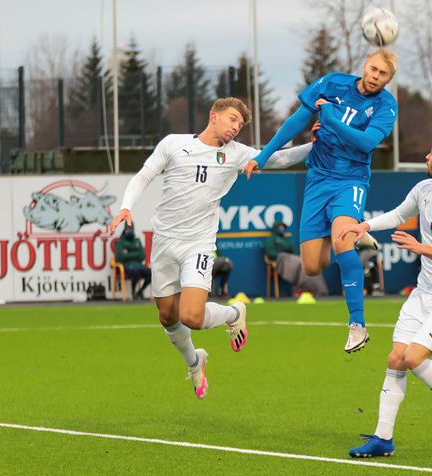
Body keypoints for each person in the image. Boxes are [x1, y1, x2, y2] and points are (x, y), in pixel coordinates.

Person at [110, 97, 311, 400]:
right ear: (213, 115)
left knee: (191, 315)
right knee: (167, 316)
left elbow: (280, 159)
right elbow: (144, 176)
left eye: (240, 125)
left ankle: (233, 313)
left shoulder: (237, 154)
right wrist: (126, 207)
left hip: (199, 244)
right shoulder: (174, 144)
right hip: (164, 241)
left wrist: (318, 143)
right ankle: (194, 362)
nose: (235, 128)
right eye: (232, 119)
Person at [243, 49, 398, 353]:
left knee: (341, 240)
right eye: (373, 68)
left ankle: (357, 325)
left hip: (350, 180)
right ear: (364, 65)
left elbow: (367, 143)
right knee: (313, 266)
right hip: (318, 179)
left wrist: (329, 118)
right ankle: (354, 231)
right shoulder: (333, 83)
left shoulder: (386, 106)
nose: (375, 76)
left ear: (388, 79)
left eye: (382, 74)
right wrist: (262, 157)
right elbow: (295, 122)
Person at [338, 133, 432, 456]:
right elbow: (399, 214)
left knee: (414, 358)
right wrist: (365, 227)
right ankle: (383, 438)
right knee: (396, 359)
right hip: (424, 292)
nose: (425, 158)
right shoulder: (424, 190)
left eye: (430, 154)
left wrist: (423, 249)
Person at [264, 221, 328, 296]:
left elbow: (292, 252)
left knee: (309, 264)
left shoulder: (285, 239)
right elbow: (270, 253)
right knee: (301, 264)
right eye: (280, 227)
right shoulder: (271, 239)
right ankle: (307, 289)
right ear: (275, 228)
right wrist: (281, 256)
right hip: (281, 259)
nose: (282, 229)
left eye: (283, 227)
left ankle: (320, 290)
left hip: (290, 258)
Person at [115, 224, 152, 300]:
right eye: (128, 228)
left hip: (138, 265)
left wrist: (129, 253)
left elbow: (142, 256)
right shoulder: (120, 242)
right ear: (124, 229)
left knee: (151, 273)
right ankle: (133, 292)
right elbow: (121, 257)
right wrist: (136, 253)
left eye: (131, 228)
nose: (130, 230)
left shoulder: (137, 241)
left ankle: (140, 291)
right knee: (136, 272)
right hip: (127, 266)